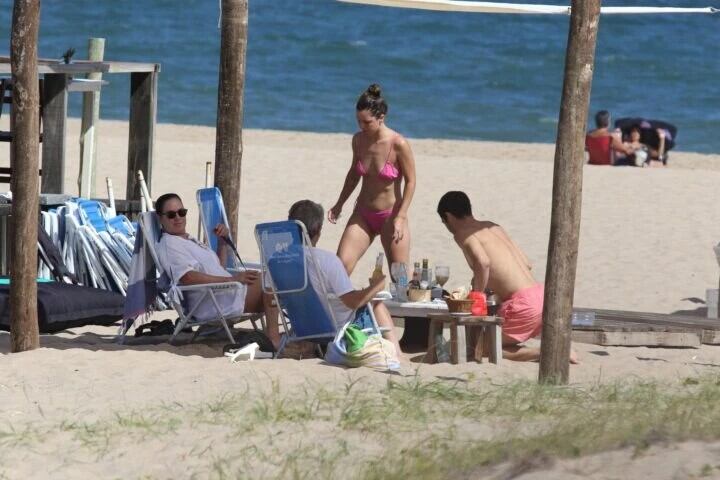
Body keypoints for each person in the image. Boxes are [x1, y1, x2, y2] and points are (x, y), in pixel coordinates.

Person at [436, 191, 578, 363]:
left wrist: (477, 295)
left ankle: (552, 353)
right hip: (542, 296)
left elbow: (483, 263)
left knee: (485, 348)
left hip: (524, 305)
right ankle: (552, 350)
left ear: (448, 216)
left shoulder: (462, 234)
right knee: (492, 343)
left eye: (444, 222)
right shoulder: (492, 226)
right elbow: (527, 263)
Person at [266, 199, 403, 356]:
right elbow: (353, 302)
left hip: (303, 329)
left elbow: (269, 296)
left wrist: (274, 334)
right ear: (318, 230)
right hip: (336, 330)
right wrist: (376, 287)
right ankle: (398, 354)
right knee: (377, 304)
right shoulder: (327, 261)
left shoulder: (276, 261)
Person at [328, 84, 417, 275]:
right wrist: (339, 204)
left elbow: (411, 181)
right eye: (358, 121)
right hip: (363, 214)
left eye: (366, 122)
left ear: (381, 118)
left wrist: (400, 217)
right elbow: (353, 176)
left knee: (400, 277)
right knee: (340, 267)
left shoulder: (398, 144)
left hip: (390, 216)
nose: (361, 126)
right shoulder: (359, 140)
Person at [154, 193, 272, 332]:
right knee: (271, 280)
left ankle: (293, 333)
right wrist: (233, 279)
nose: (178, 218)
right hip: (216, 302)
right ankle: (274, 336)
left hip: (224, 293)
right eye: (171, 215)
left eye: (181, 212)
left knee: (278, 278)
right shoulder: (170, 244)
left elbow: (218, 268)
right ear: (160, 218)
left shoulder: (189, 240)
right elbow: (187, 277)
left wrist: (222, 241)